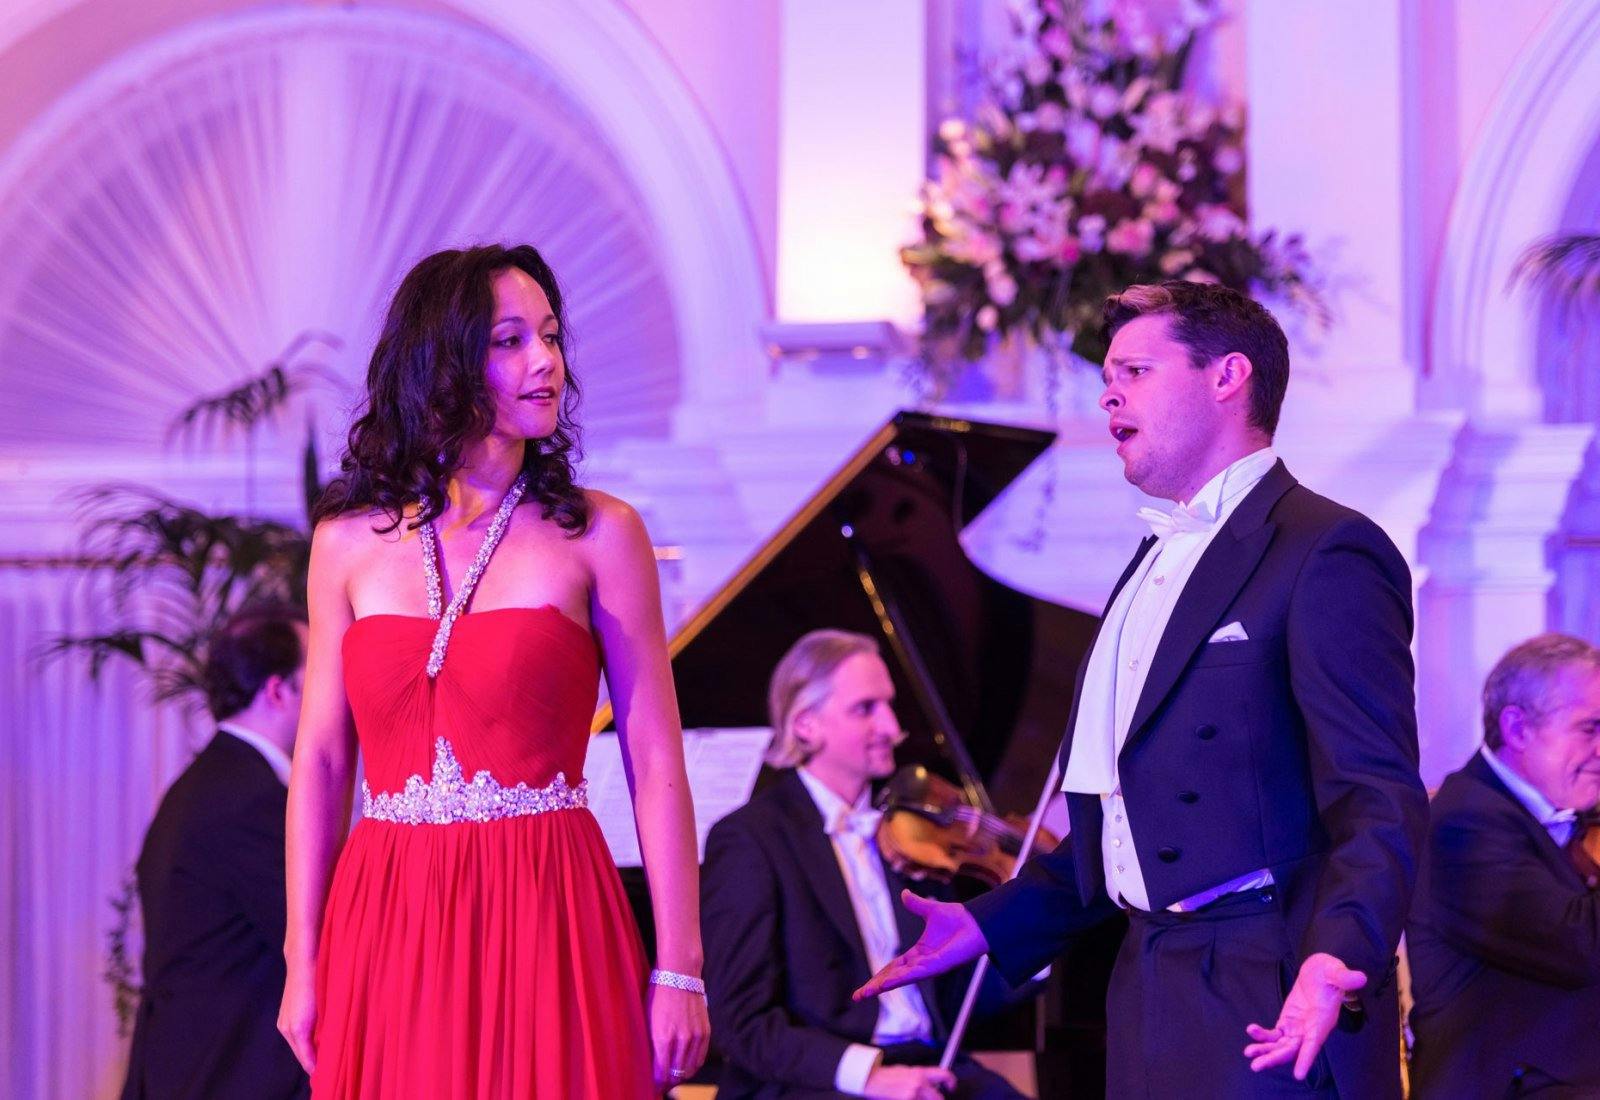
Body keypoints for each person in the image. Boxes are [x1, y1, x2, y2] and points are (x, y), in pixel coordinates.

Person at [857, 281, 1428, 1098]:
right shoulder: (1150, 562)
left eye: (1135, 370)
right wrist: (988, 923)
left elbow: (1377, 794)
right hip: (1147, 986)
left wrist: (1339, 955)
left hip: (1270, 991)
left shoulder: (1326, 549)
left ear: (1227, 377)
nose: (1108, 394)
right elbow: (1130, 832)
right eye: (1107, 376)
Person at [278, 244, 709, 1098]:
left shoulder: (602, 534)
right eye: (511, 341)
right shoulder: (343, 544)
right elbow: (321, 760)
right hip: (387, 909)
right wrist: (304, 956)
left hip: (546, 902)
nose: (545, 361)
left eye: (549, 336)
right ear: (441, 361)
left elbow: (655, 757)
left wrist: (681, 967)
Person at [702, 629, 1026, 1100]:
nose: (892, 728)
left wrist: (1030, 918)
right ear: (806, 725)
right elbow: (741, 1023)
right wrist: (869, 1076)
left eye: (890, 705)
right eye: (865, 708)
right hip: (818, 1079)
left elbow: (952, 999)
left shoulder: (912, 835)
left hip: (925, 1063)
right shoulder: (750, 839)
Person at [121, 604, 311, 1100]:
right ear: (279, 690)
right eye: (319, 674)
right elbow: (315, 934)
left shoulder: (205, 784)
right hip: (227, 1073)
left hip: (194, 1068)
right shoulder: (247, 800)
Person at [1407, 633, 1600, 1097]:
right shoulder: (1463, 825)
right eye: (1589, 729)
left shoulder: (1556, 811)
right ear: (1517, 729)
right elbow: (1582, 947)